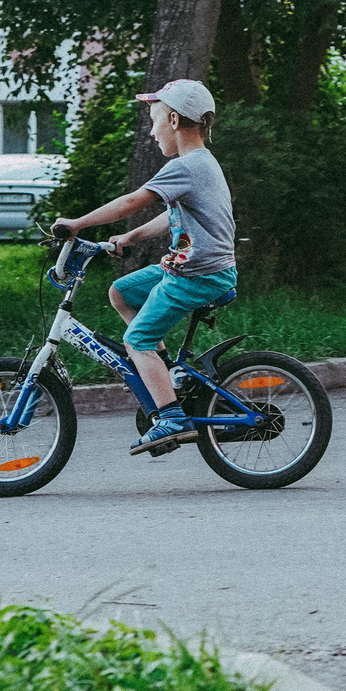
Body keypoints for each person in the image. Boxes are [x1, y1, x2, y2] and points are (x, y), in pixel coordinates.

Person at [49, 79, 238, 455]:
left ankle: (170, 417)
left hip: (198, 275)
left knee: (136, 340)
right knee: (121, 291)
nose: (151, 132)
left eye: (153, 122)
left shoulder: (189, 165)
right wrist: (129, 238)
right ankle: (168, 377)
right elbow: (171, 219)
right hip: (191, 267)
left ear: (172, 119)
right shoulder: (199, 165)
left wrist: (76, 224)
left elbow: (132, 200)